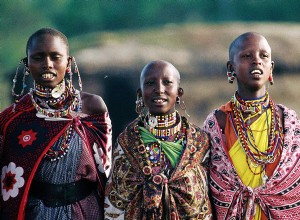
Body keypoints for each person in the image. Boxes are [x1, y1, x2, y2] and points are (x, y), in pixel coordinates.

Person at [0, 28, 112, 220]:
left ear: (68, 63)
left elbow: (107, 174)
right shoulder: (12, 119)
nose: (47, 64)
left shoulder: (92, 108)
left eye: (55, 57)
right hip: (35, 214)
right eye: (38, 58)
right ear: (27, 64)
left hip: (86, 212)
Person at [203, 32, 300, 219]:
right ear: (231, 67)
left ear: (271, 68)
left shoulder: (288, 122)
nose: (257, 61)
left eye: (264, 56)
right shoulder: (218, 122)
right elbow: (206, 186)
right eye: (247, 56)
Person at [104, 60, 212, 219]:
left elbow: (206, 197)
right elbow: (114, 202)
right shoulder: (127, 141)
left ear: (179, 93)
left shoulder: (199, 141)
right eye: (150, 83)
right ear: (140, 94)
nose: (159, 89)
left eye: (167, 82)